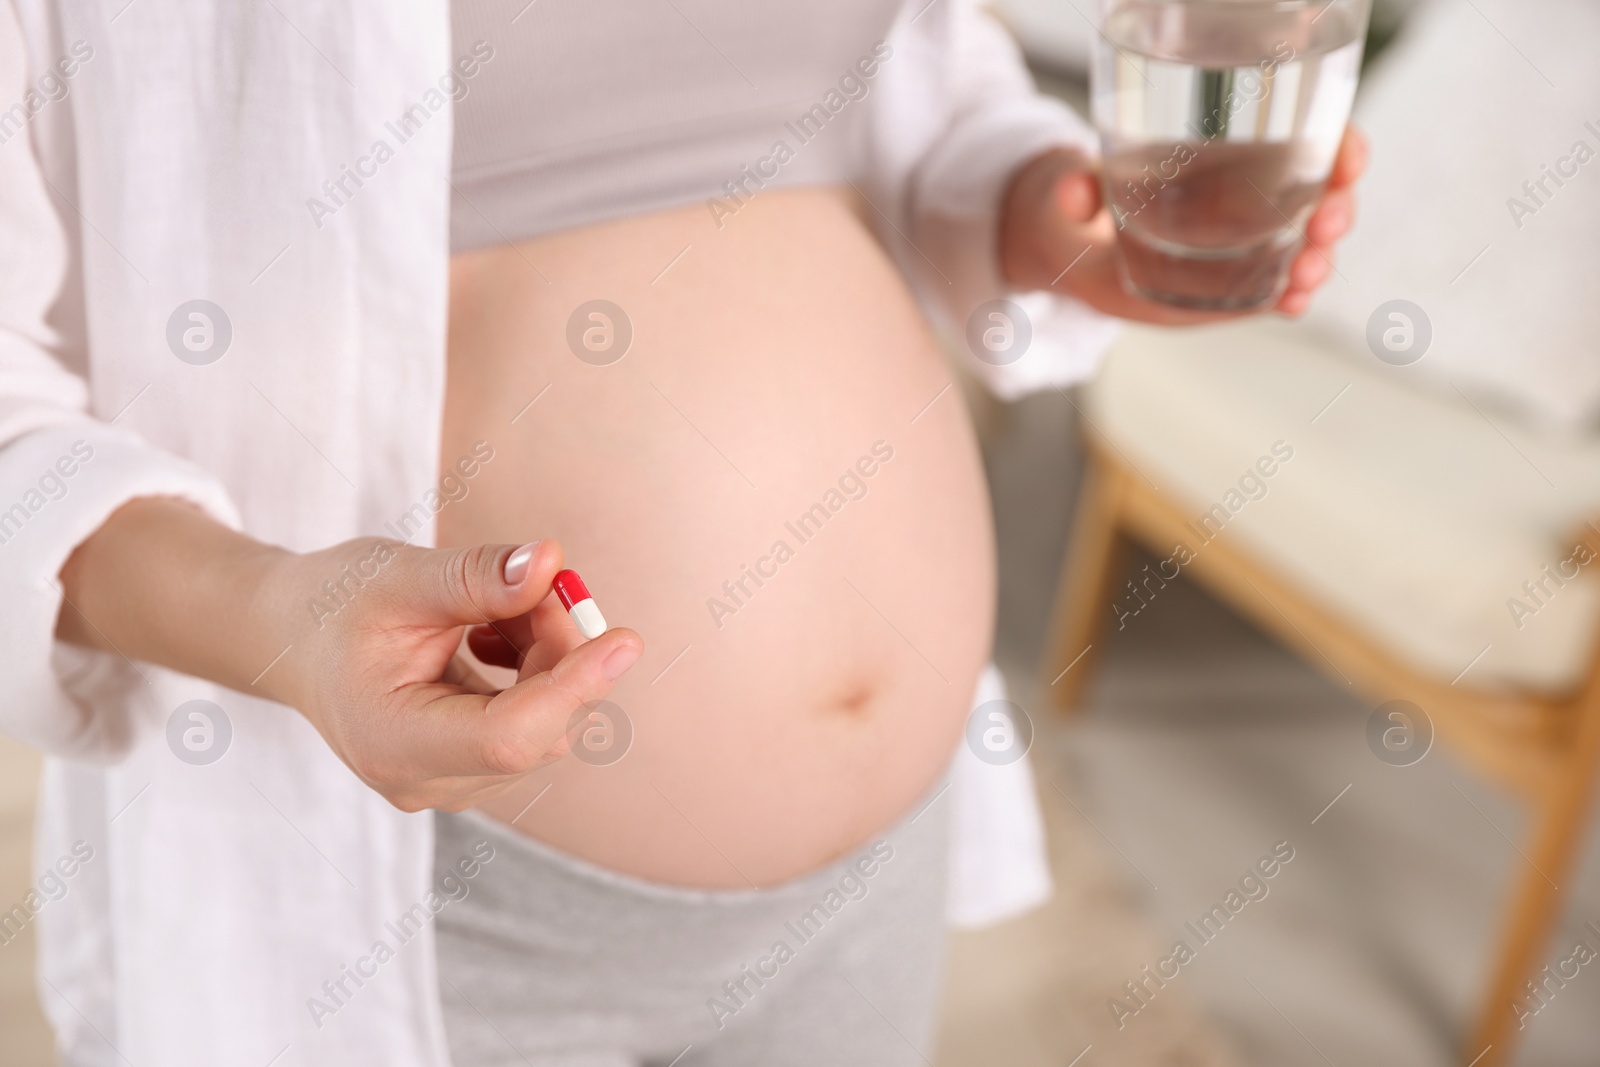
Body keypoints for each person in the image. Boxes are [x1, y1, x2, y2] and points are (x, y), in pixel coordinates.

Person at [0, 0, 1362, 1063]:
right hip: (417, 884)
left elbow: (905, 99)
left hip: (871, 875)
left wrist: (1036, 218)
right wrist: (281, 621)